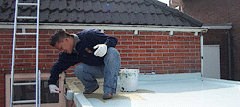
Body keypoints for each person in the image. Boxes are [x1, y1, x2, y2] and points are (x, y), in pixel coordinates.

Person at [48, 29, 121, 100]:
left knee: (112, 52)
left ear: (66, 40)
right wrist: (52, 83)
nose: (62, 51)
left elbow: (113, 39)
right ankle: (91, 87)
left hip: (110, 67)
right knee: (78, 69)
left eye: (61, 48)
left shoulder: (88, 35)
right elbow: (57, 67)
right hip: (97, 70)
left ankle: (109, 91)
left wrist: (105, 45)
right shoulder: (67, 55)